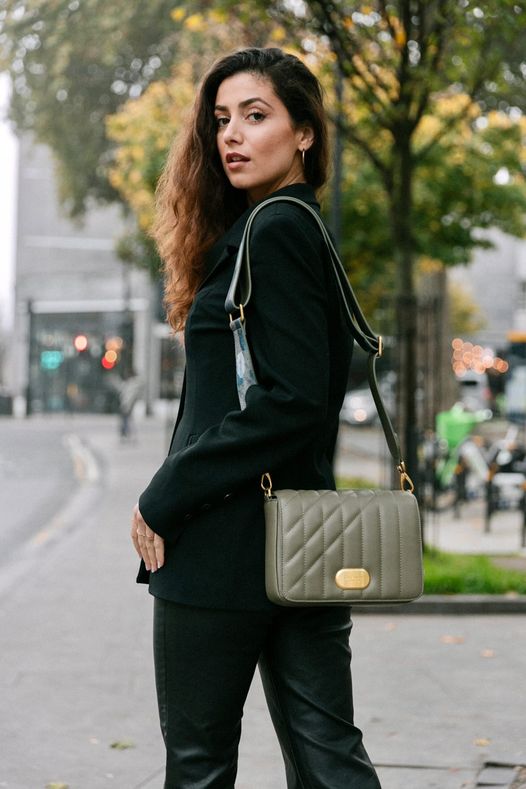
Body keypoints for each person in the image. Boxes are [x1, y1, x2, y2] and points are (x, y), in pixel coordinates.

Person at [131, 47, 381, 789]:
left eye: (256, 115)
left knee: (200, 768)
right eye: (220, 120)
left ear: (304, 133)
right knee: (330, 760)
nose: (231, 135)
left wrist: (166, 491)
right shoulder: (291, 228)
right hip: (300, 543)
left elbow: (290, 398)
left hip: (220, 550)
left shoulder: (273, 230)